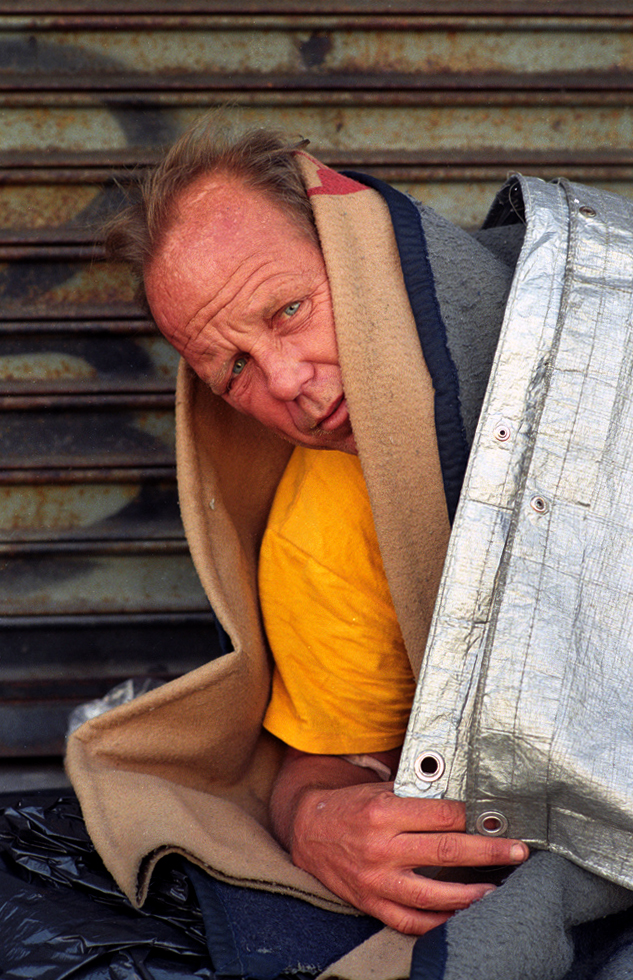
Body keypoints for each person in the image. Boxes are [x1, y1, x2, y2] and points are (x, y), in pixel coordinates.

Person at [66, 116, 530, 946]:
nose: (288, 384)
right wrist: (317, 822)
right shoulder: (321, 531)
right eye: (233, 368)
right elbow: (325, 760)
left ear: (363, 252)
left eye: (287, 309)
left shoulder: (589, 327)